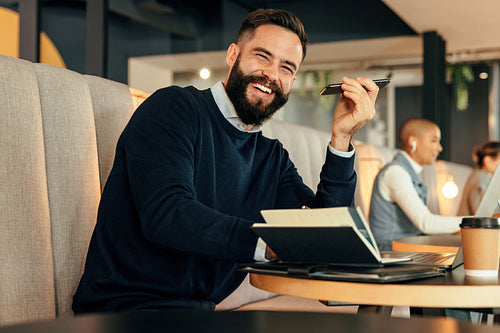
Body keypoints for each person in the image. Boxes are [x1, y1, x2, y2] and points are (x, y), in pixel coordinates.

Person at [72, 8, 380, 314]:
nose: (272, 74)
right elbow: (167, 214)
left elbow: (324, 233)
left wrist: (342, 138)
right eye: (262, 56)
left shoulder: (271, 157)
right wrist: (271, 244)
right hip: (124, 311)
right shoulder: (173, 109)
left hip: (200, 314)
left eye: (286, 68)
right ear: (233, 54)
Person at [369, 118, 461, 251]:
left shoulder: (407, 172)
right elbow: (425, 222)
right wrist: (473, 221)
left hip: (404, 250)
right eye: (434, 141)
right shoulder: (396, 173)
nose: (440, 148)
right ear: (413, 142)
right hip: (390, 253)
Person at [457, 141, 500, 216]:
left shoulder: (483, 177)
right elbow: (483, 215)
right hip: (472, 227)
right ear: (488, 161)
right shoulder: (480, 179)